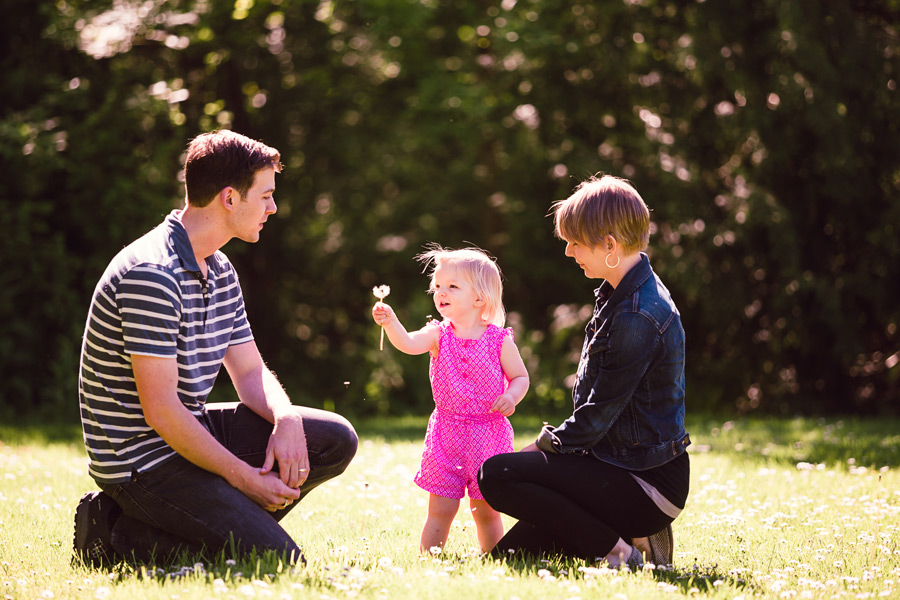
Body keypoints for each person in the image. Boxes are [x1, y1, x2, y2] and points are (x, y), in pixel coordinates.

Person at [73, 130, 358, 567]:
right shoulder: (153, 273)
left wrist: (285, 419)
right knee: (276, 562)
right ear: (229, 198)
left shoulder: (219, 267)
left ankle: (184, 523)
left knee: (332, 437)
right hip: (141, 462)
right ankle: (116, 532)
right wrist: (242, 478)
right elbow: (161, 411)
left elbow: (249, 372)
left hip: (189, 433)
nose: (273, 208)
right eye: (265, 196)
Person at [477, 175, 690, 569]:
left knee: (497, 473)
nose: (569, 252)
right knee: (507, 558)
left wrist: (542, 447)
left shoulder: (637, 314)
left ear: (609, 245)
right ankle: (631, 535)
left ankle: (619, 550)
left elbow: (595, 417)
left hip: (645, 481)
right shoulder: (620, 293)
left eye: (575, 242)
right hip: (613, 466)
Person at [371, 246, 529, 553]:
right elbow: (407, 343)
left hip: (489, 433)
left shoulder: (499, 340)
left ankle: (494, 558)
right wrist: (391, 323)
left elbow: (521, 377)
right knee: (441, 508)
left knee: (486, 509)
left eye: (452, 286)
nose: (441, 293)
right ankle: (430, 559)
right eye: (437, 287)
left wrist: (511, 395)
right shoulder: (437, 335)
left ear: (479, 298)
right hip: (447, 434)